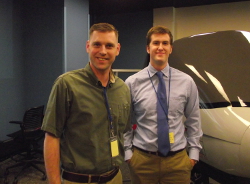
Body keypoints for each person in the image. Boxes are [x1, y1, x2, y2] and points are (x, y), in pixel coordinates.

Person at [41, 23, 131, 184]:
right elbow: (52, 136)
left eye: (109, 46)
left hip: (115, 177)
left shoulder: (122, 89)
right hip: (79, 180)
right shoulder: (67, 84)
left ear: (117, 49)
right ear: (88, 46)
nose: (103, 51)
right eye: (97, 44)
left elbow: (121, 132)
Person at [124, 25, 203, 184]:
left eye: (165, 43)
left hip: (178, 162)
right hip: (142, 162)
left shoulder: (186, 82)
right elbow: (125, 122)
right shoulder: (132, 83)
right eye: (156, 43)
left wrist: (193, 155)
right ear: (148, 48)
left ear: (171, 48)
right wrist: (128, 153)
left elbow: (194, 119)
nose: (160, 47)